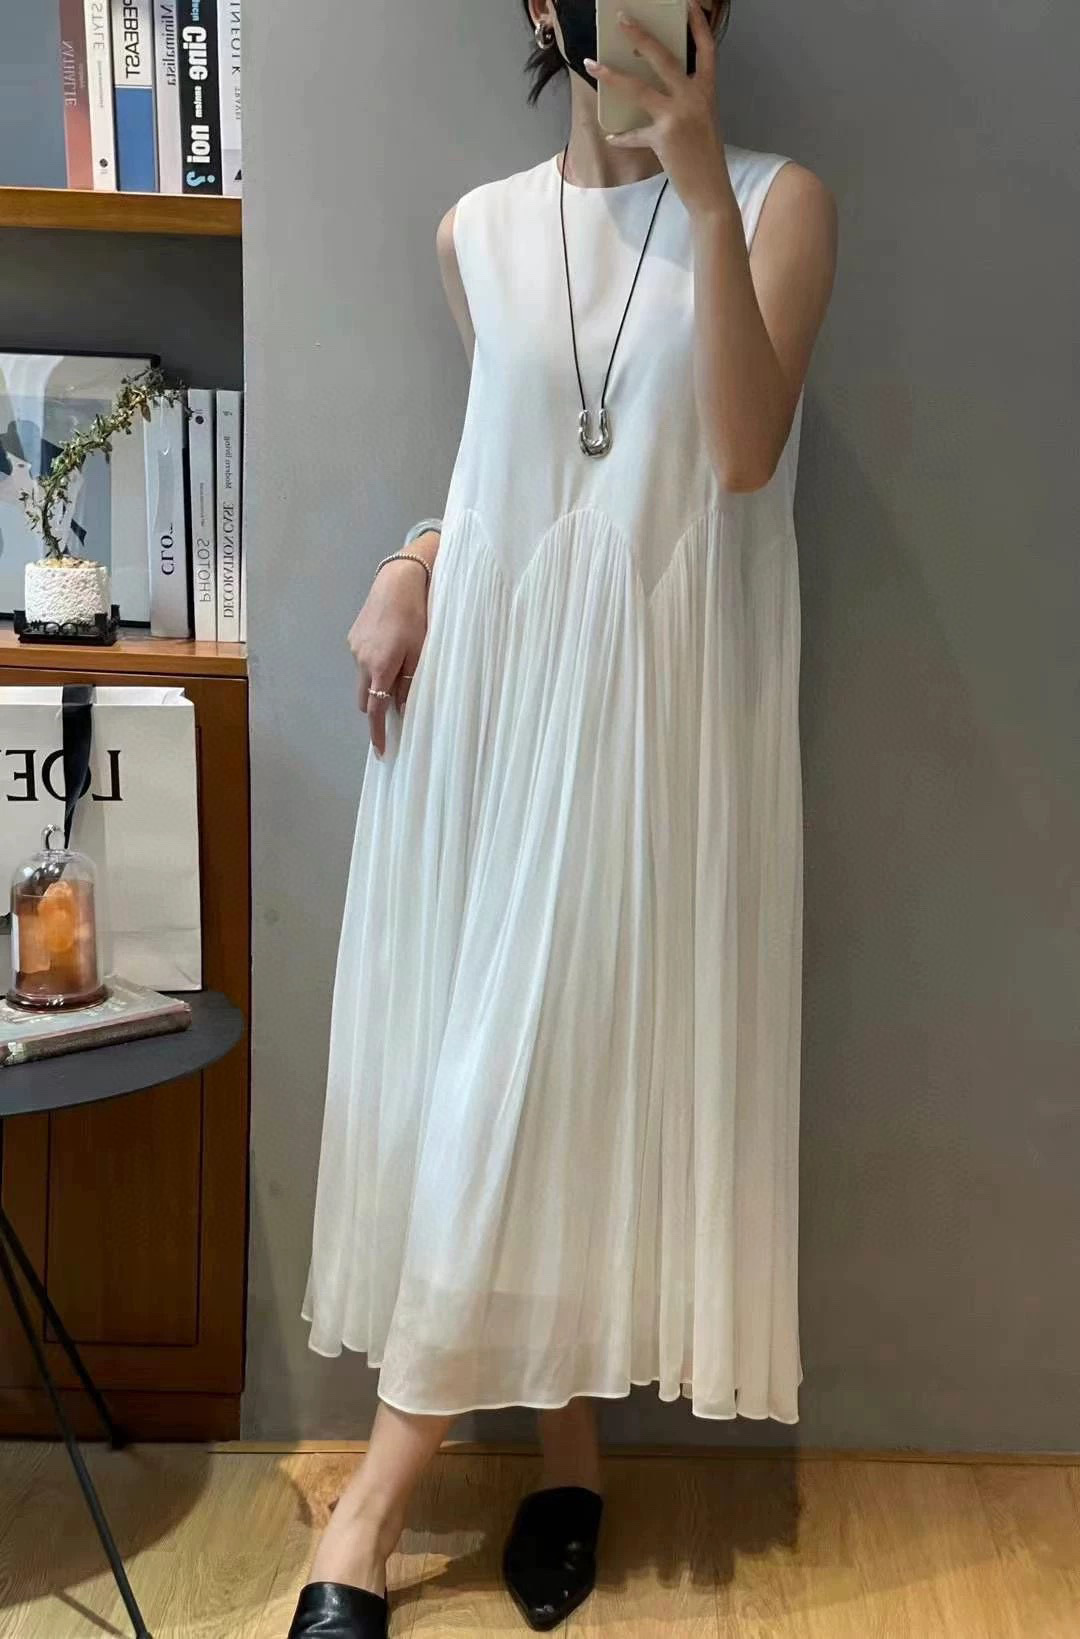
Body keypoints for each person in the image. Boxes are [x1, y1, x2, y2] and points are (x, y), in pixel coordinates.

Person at [289, 3, 837, 1634]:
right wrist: (412, 560)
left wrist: (701, 185)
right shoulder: (475, 231)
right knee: (497, 1082)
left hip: (655, 724)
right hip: (489, 710)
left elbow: (739, 455)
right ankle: (572, 1458)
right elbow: (515, 461)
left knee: (553, 1076)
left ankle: (369, 1516)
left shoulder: (781, 201)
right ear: (545, 8)